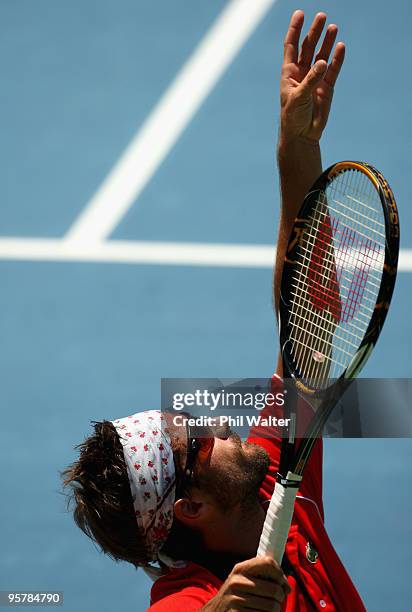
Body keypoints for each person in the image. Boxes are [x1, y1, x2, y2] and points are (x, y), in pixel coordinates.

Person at [61, 11, 366, 611]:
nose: (219, 420)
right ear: (191, 508)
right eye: (200, 437)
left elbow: (306, 316)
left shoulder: (277, 484)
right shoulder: (186, 598)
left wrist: (296, 147)